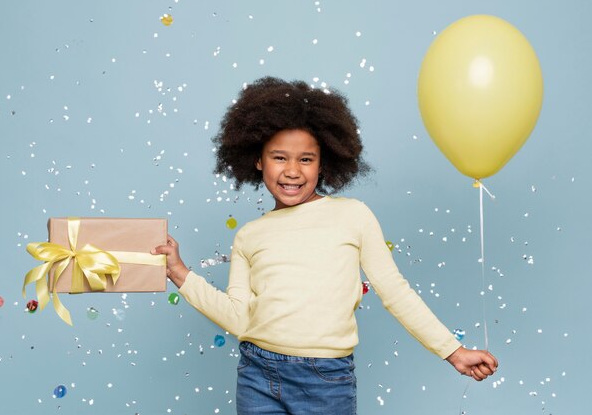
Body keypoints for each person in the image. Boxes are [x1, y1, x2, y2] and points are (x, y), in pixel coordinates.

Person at [152, 77, 498, 415]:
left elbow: (395, 291)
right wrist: (181, 274)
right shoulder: (249, 235)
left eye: (306, 159)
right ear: (257, 160)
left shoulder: (353, 216)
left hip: (325, 381)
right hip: (257, 372)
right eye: (279, 157)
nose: (292, 171)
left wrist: (452, 351)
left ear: (324, 163)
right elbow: (240, 320)